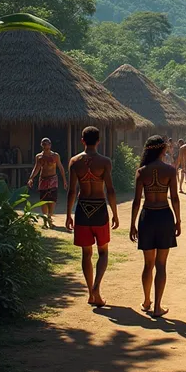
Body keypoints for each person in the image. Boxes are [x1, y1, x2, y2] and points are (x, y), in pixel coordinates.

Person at [66, 126, 119, 308]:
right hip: (99, 209)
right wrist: (115, 214)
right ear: (98, 141)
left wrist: (68, 215)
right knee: (103, 251)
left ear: (82, 140)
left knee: (86, 253)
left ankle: (91, 293)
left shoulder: (74, 161)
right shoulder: (104, 162)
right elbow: (110, 190)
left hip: (82, 210)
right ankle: (96, 288)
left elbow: (72, 191)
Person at [130, 135, 181, 318]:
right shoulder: (170, 170)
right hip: (164, 216)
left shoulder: (141, 171)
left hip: (147, 217)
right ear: (163, 150)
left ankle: (146, 301)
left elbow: (137, 201)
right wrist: (178, 220)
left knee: (148, 264)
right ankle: (157, 306)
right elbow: (174, 198)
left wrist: (132, 225)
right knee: (161, 264)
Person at [28, 138, 67, 228]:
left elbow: (60, 167)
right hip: (43, 179)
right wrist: (31, 178)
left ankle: (49, 218)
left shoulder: (55, 156)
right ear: (42, 145)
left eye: (47, 144)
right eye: (44, 144)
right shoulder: (39, 156)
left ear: (50, 145)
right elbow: (36, 168)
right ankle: (45, 219)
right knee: (43, 199)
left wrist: (64, 180)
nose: (46, 146)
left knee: (52, 199)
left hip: (53, 179)